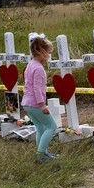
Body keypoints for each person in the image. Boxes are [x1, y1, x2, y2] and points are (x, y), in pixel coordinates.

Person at [21, 33, 57, 163]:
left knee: (41, 128)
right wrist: (42, 105)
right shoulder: (39, 68)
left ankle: (43, 152)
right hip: (35, 103)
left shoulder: (30, 64)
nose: (49, 55)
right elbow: (37, 88)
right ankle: (41, 154)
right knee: (52, 126)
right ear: (41, 52)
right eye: (48, 52)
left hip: (27, 102)